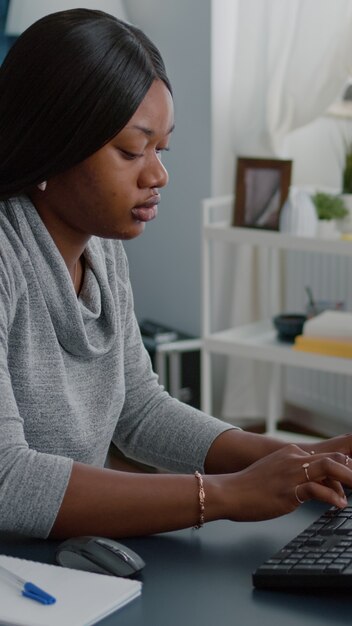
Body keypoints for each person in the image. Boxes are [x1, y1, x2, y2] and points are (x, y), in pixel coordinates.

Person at [0, 8, 351, 541]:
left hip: (69, 563)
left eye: (161, 149)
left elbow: (138, 410)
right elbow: (7, 479)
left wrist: (295, 459)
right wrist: (230, 494)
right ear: (52, 142)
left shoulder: (101, 249)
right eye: (131, 150)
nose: (159, 174)